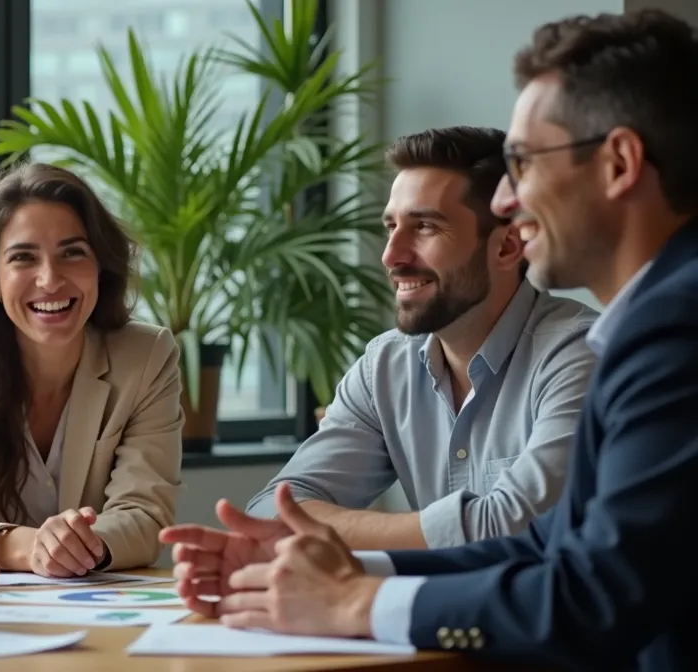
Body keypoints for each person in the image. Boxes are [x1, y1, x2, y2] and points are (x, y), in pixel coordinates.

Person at [163, 9, 698, 671]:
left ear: (619, 163)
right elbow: (556, 547)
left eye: (524, 163)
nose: (507, 200)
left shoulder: (672, 331)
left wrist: (355, 604)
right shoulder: (657, 319)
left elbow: (594, 593)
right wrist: (346, 568)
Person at [247, 126, 598, 550]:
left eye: (425, 227)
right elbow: (272, 509)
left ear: (507, 246)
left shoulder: (581, 354)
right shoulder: (385, 367)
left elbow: (519, 526)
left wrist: (328, 534)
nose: (391, 255)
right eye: (391, 226)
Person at [0, 162, 183, 577]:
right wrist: (24, 546)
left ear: (100, 266)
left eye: (72, 253)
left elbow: (146, 514)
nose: (50, 279)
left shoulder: (147, 356)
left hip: (93, 601)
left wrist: (82, 546)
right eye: (23, 257)